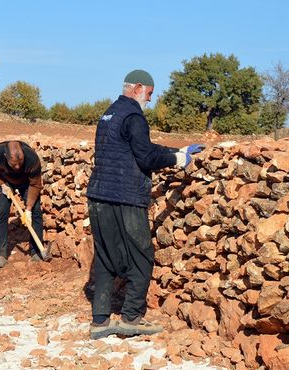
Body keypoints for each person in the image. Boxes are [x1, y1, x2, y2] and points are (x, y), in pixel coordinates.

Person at [85, 69, 204, 339]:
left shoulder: (110, 114)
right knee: (142, 256)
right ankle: (131, 318)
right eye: (149, 94)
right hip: (125, 197)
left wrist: (176, 151)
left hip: (99, 196)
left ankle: (100, 321)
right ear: (138, 87)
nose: (150, 100)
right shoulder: (134, 116)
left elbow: (137, 148)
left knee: (104, 256)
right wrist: (177, 161)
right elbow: (145, 157)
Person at [0, 140, 45, 268]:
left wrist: (28, 209)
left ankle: (36, 251)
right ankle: (1, 255)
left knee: (35, 213)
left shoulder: (32, 159)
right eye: (14, 164)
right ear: (6, 157)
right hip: (3, 180)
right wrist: (2, 184)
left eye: (20, 163)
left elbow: (35, 184)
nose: (18, 167)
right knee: (1, 215)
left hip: (26, 182)